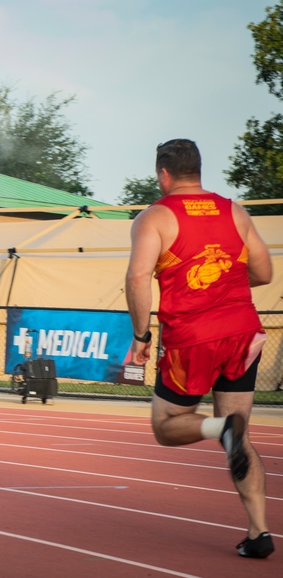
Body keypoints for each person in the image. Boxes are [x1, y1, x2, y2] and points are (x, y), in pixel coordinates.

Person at [125, 138, 274, 559]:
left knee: (166, 424)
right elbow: (264, 272)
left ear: (163, 174)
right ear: (199, 171)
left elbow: (138, 278)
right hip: (244, 333)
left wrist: (141, 336)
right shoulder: (234, 211)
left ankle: (219, 429)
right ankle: (259, 532)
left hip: (193, 338)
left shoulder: (154, 216)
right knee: (241, 435)